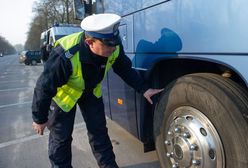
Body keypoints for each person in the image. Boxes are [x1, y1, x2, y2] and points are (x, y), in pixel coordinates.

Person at [32, 13, 163, 168]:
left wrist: (145, 89)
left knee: (99, 134)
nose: (113, 47)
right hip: (65, 95)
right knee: (61, 139)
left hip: (91, 92)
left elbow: (125, 70)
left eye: (115, 42)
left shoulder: (113, 48)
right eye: (108, 44)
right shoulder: (65, 54)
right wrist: (39, 119)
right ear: (89, 42)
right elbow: (44, 87)